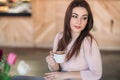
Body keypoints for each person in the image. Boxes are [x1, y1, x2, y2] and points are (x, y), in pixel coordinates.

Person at [45, 0, 102, 80]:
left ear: (87, 21)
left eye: (84, 18)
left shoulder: (89, 42)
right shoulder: (59, 36)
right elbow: (56, 69)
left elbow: (96, 74)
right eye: (75, 16)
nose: (79, 22)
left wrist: (64, 75)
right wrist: (52, 63)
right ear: (68, 17)